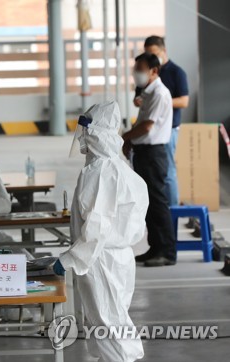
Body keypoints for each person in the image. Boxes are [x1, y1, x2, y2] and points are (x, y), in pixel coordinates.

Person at [54, 101, 148, 362]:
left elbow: (97, 227)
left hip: (100, 260)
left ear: (95, 133)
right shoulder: (121, 169)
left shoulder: (100, 172)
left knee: (109, 328)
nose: (82, 138)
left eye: (86, 132)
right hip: (119, 259)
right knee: (113, 322)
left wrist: (69, 258)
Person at [123, 53, 177, 267]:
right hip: (144, 151)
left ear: (154, 70)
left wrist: (123, 137)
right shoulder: (147, 92)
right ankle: (155, 247)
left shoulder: (160, 94)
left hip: (154, 153)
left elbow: (147, 126)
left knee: (157, 202)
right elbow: (141, 123)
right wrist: (130, 141)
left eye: (141, 68)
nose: (137, 72)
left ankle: (167, 251)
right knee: (148, 203)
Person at [133, 36, 189, 206]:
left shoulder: (176, 73)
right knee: (153, 177)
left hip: (168, 130)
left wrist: (158, 102)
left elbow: (184, 101)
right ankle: (159, 208)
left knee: (168, 173)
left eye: (153, 53)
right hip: (149, 135)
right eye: (147, 53)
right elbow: (138, 97)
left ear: (163, 51)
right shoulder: (145, 71)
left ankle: (171, 210)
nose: (150, 57)